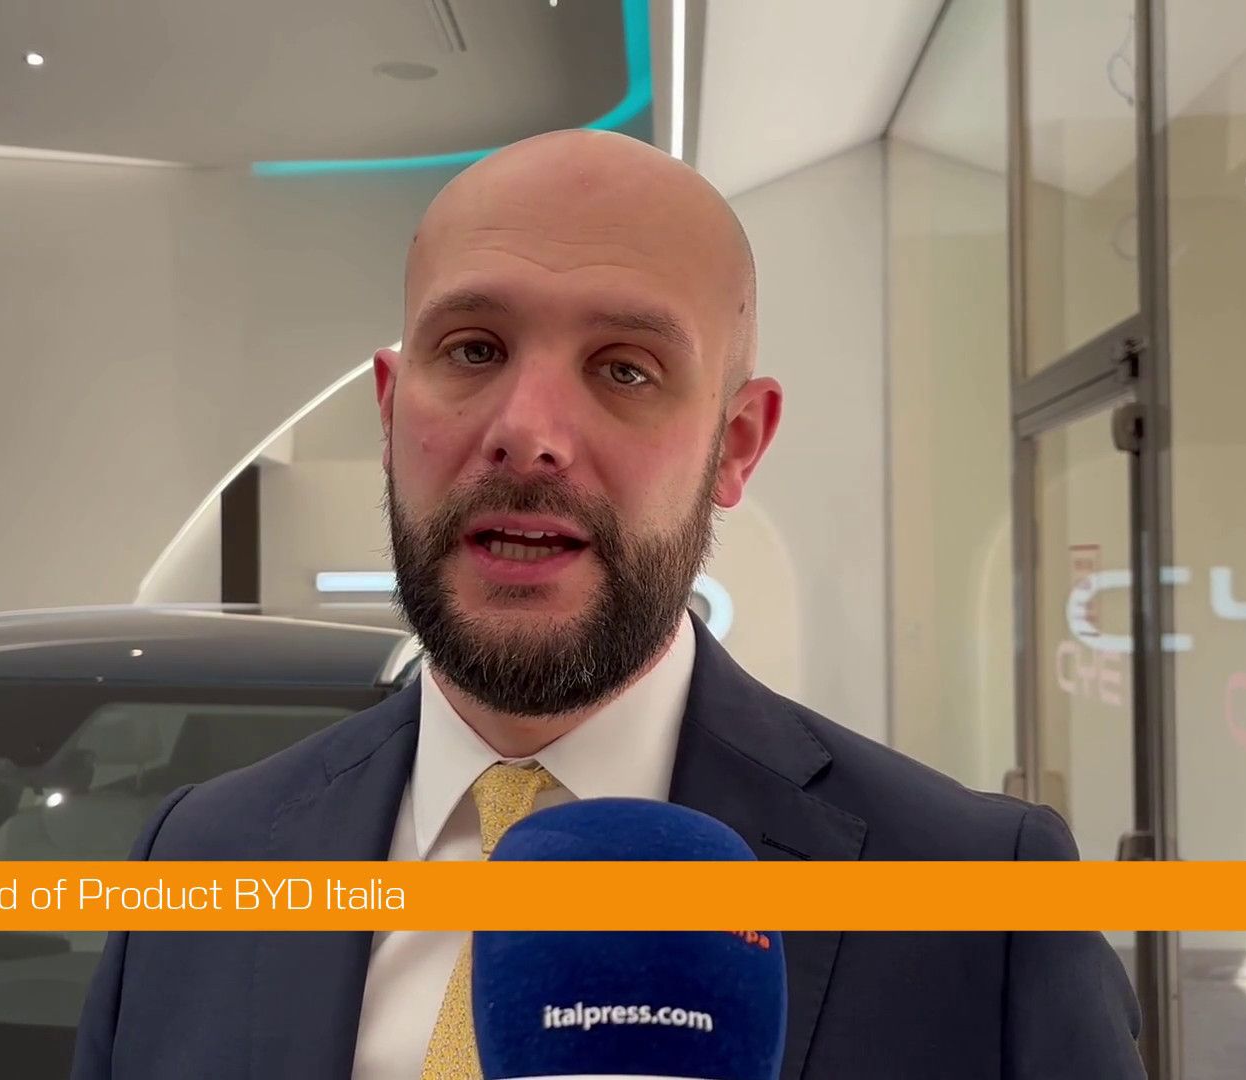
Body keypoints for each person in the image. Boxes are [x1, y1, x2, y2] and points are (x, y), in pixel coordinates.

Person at [71, 129, 1143, 1079]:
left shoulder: (986, 910)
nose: (527, 431)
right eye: (475, 349)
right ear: (392, 413)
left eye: (625, 369)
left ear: (736, 445)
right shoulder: (197, 862)